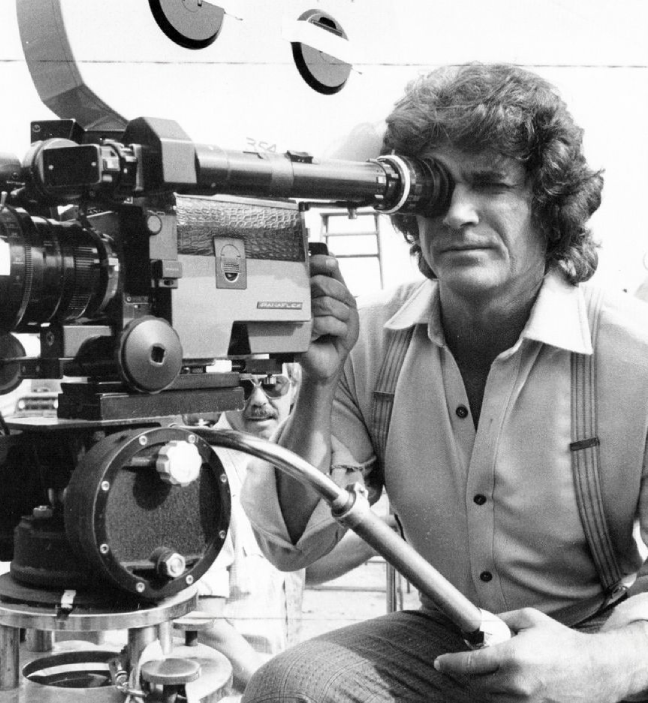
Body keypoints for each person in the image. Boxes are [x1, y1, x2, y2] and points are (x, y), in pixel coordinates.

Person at [240, 63, 648, 702]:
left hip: (592, 635)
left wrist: (603, 665)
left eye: (489, 183)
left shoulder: (635, 356)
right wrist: (318, 385)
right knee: (289, 688)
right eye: (433, 188)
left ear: (548, 203)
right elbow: (298, 549)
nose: (457, 213)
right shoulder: (366, 339)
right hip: (440, 637)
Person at [197, 363, 383, 695]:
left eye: (272, 385)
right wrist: (279, 691)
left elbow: (300, 569)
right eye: (243, 387)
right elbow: (204, 621)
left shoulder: (288, 467)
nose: (257, 401)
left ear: (296, 388)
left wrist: (383, 536)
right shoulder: (208, 476)